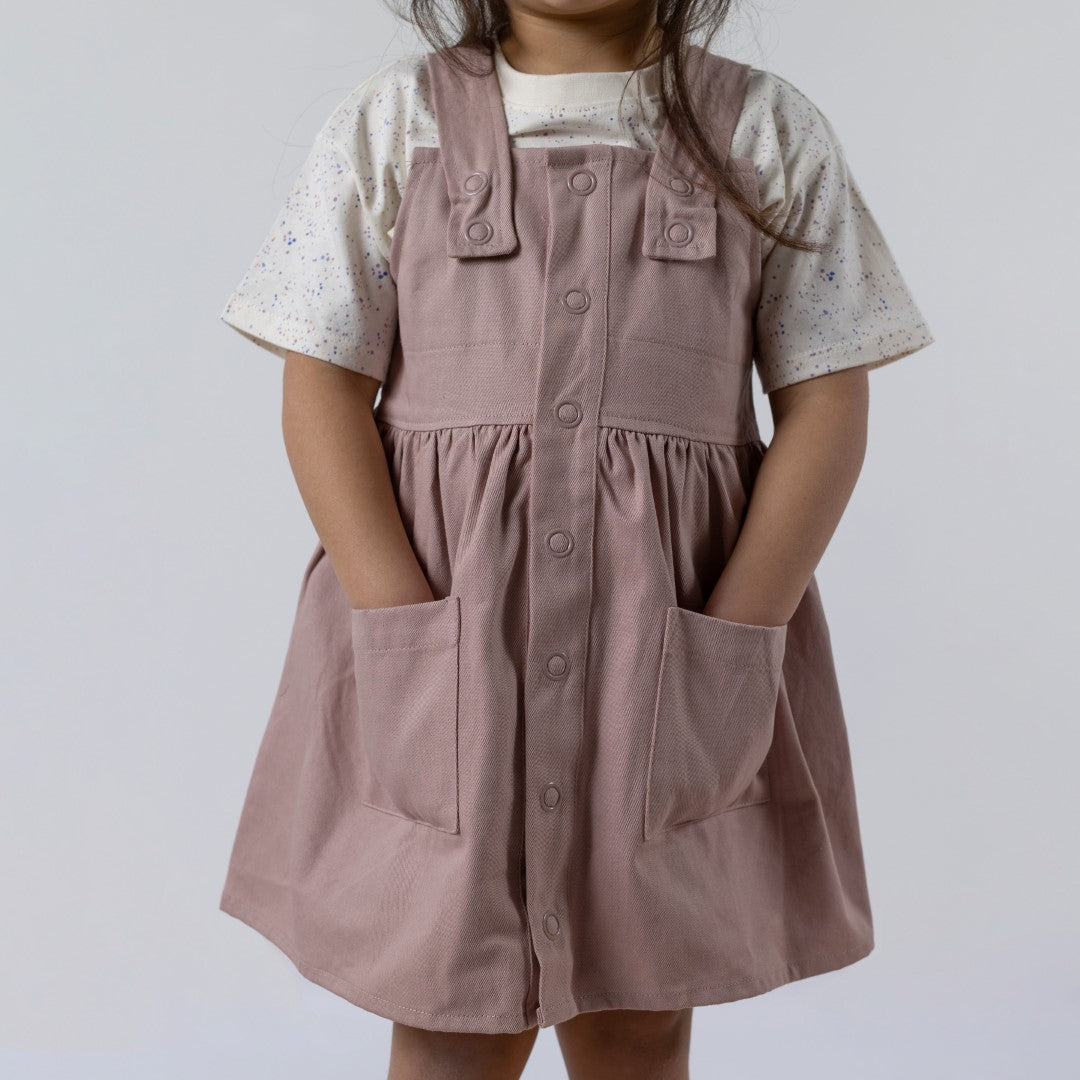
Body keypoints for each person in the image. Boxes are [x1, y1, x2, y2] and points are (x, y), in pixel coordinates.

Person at [217, 3, 935, 1078]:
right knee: (452, 1003)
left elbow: (827, 401)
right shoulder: (393, 124)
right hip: (447, 643)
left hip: (667, 650)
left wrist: (740, 628)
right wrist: (396, 619)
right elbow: (320, 382)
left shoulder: (765, 134)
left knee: (643, 1009)